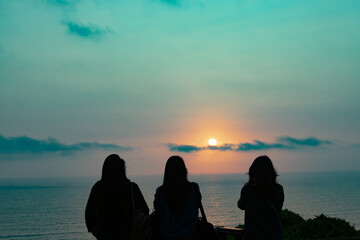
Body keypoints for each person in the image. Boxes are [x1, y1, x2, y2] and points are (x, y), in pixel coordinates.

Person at [85, 154, 149, 240]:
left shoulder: (97, 188)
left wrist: (97, 231)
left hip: (103, 236)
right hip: (128, 235)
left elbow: (89, 214)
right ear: (122, 169)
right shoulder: (132, 188)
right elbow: (145, 211)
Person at [154, 156, 201, 240]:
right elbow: (196, 206)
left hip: (165, 235)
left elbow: (158, 211)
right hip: (191, 234)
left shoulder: (160, 192)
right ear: (184, 170)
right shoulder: (193, 188)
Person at [238, 155, 285, 240]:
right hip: (275, 235)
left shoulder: (248, 190)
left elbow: (241, 205)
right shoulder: (279, 189)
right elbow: (279, 209)